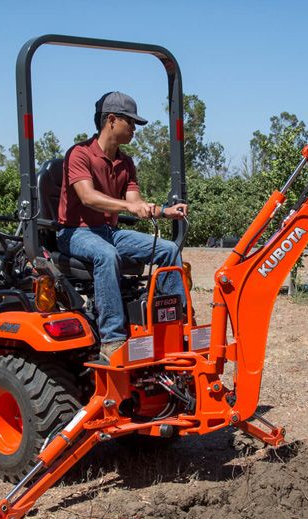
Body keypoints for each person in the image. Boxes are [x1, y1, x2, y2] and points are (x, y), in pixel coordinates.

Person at [57, 91, 188, 357]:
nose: (134, 130)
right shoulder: (79, 154)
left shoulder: (125, 162)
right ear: (112, 120)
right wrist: (129, 206)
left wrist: (163, 211)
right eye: (131, 123)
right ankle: (112, 339)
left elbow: (134, 200)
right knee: (107, 255)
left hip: (109, 232)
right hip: (75, 232)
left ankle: (175, 322)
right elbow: (88, 197)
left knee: (168, 249)